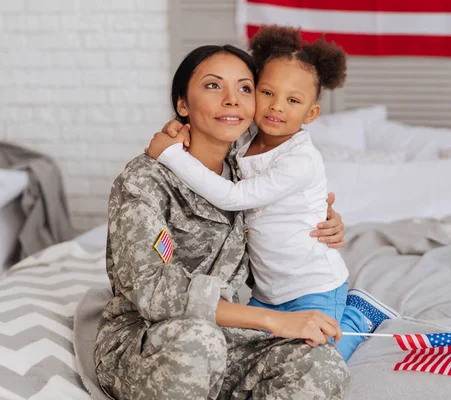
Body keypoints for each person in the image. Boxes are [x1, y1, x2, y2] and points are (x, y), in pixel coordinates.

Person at [94, 43, 350, 400]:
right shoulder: (144, 181)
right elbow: (152, 291)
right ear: (182, 104)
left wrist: (326, 218)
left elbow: (277, 211)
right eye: (213, 86)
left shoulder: (244, 170)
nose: (232, 99)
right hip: (151, 342)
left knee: (320, 364)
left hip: (228, 338)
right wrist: (271, 320)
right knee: (200, 341)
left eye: (244, 88)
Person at [145, 25, 397, 363]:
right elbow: (212, 126)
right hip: (266, 293)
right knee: (242, 358)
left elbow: (233, 197)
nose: (277, 107)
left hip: (314, 286)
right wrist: (176, 128)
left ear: (311, 114)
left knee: (320, 359)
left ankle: (358, 314)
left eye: (293, 100)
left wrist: (170, 155)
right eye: (266, 93)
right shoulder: (244, 140)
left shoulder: (300, 159)